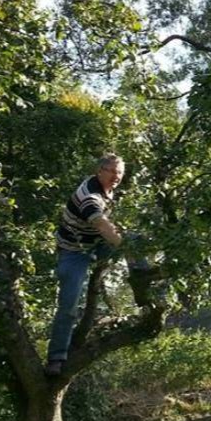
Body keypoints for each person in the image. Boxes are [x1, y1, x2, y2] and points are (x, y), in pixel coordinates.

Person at [45, 154, 127, 376]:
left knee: (138, 239)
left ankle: (144, 281)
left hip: (97, 243)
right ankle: (56, 357)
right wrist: (128, 248)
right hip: (75, 250)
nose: (116, 176)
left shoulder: (108, 189)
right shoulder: (89, 197)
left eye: (120, 172)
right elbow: (103, 226)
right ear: (100, 171)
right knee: (69, 305)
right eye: (112, 171)